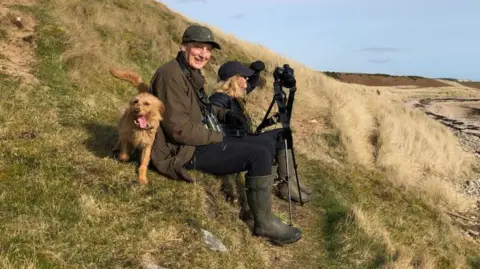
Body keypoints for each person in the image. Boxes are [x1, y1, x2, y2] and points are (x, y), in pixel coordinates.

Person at [148, 24, 302, 245]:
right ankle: (264, 223)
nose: (204, 54)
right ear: (183, 46)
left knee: (264, 146)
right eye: (198, 47)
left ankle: (262, 210)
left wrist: (225, 114)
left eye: (208, 50)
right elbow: (178, 130)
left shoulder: (188, 72)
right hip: (182, 151)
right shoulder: (171, 75)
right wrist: (218, 137)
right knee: (259, 153)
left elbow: (201, 108)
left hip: (195, 141)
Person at [209, 60, 314, 203]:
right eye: (243, 76)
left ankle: (290, 181)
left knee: (282, 134)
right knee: (278, 137)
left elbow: (251, 83)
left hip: (243, 138)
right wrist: (226, 114)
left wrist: (254, 71)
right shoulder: (220, 96)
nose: (247, 79)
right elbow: (212, 108)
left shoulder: (235, 95)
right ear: (233, 79)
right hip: (235, 143)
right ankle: (286, 186)